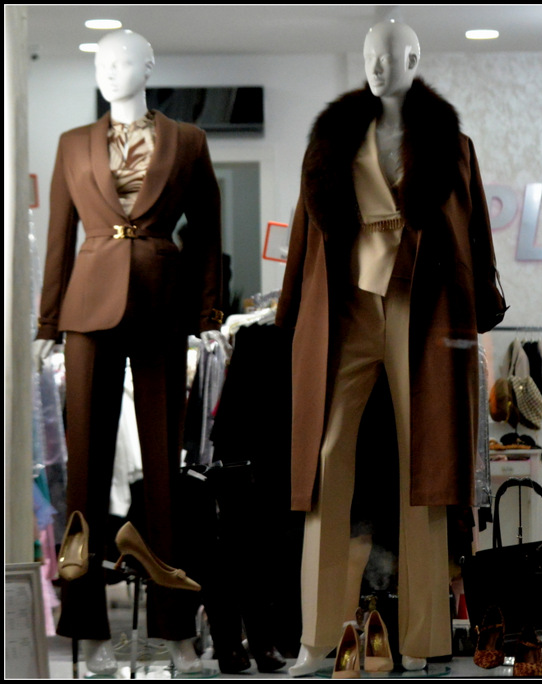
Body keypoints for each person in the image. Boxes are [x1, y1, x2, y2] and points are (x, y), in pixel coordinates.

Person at [276, 20, 506, 676]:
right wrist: (290, 315)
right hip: (346, 309)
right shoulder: (330, 143)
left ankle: (427, 639)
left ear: (414, 58)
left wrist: (480, 303)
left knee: (424, 467)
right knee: (326, 462)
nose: (378, 67)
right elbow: (305, 234)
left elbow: (473, 229)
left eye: (391, 56)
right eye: (369, 57)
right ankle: (317, 639)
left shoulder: (451, 145)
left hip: (422, 308)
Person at [32, 29, 223, 675]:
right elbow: (59, 236)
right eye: (102, 61)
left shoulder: (188, 142)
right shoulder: (72, 144)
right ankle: (86, 629)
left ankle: (176, 630)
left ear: (148, 65)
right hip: (88, 311)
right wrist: (47, 323)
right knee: (85, 470)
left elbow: (207, 232)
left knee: (165, 476)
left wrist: (208, 314)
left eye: (123, 59)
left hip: (162, 306)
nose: (111, 69)